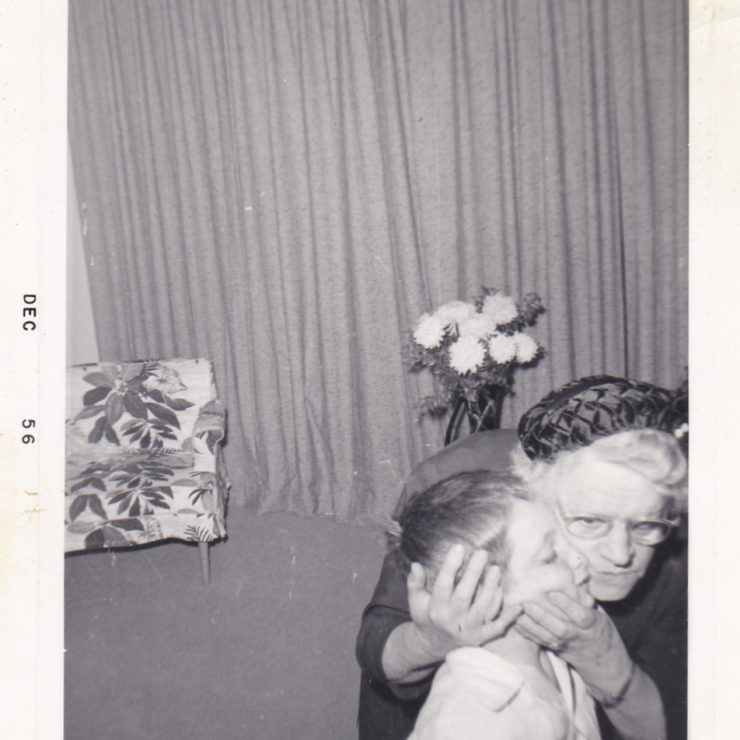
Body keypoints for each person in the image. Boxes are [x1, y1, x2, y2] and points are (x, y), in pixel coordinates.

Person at [356, 375, 688, 740]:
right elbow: (376, 644)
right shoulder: (467, 496)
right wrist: (436, 638)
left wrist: (606, 665)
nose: (621, 555)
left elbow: (678, 722)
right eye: (590, 521)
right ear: (533, 496)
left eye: (646, 525)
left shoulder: (679, 560)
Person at [394, 469, 600, 740]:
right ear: (481, 594)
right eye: (551, 556)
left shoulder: (555, 662)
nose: (579, 557)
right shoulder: (472, 718)